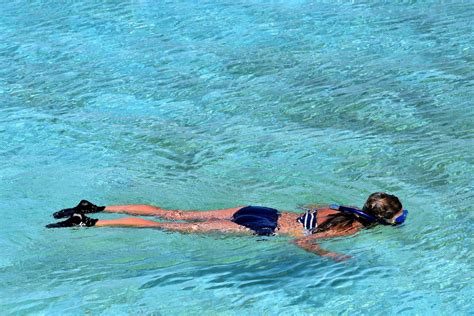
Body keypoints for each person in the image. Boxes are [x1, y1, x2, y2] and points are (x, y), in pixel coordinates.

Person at [46, 192, 408, 260]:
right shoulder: (354, 228)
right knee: (167, 229)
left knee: (175, 215)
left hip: (263, 211)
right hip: (265, 230)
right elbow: (301, 242)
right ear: (383, 220)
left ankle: (97, 206)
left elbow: (307, 210)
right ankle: (90, 223)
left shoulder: (338, 207)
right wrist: (328, 254)